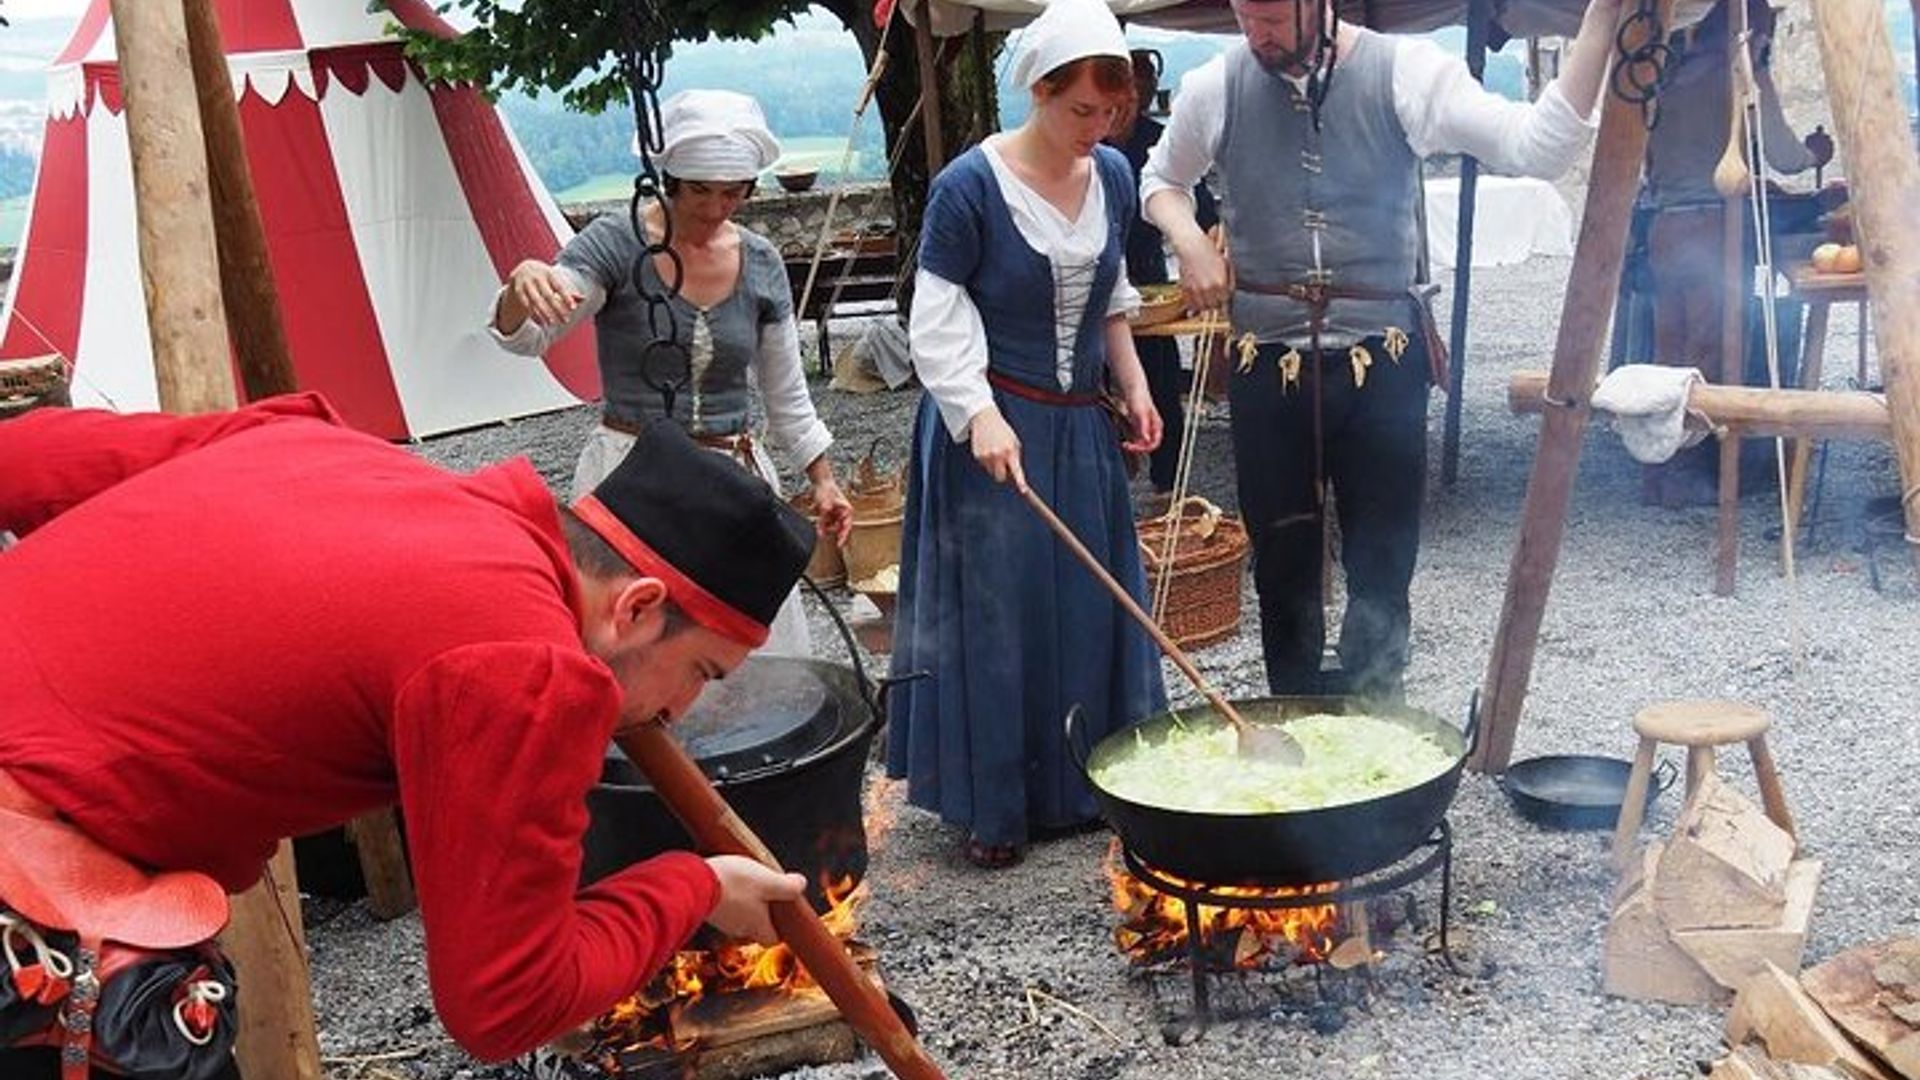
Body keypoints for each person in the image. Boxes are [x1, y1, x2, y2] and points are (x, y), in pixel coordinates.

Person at [0, 395, 814, 1078]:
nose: (680, 712)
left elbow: (24, 456)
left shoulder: (321, 449)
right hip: (29, 886)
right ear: (635, 608)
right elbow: (505, 1003)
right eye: (702, 671)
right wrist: (696, 888)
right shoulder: (521, 664)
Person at [1143, 0, 1622, 698]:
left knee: (1383, 561)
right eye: (1245, 16)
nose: (1256, 35)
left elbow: (1537, 148)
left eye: (1272, 19)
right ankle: (1293, 713)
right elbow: (1160, 181)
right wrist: (1189, 240)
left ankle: (1379, 720)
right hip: (1264, 363)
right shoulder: (1215, 87)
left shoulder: (1408, 73)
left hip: (1382, 358)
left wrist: (1602, 20)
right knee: (1280, 561)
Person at [886, 0, 1168, 871]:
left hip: (1077, 431)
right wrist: (978, 415)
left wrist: (1133, 385)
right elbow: (936, 317)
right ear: (1039, 92)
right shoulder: (969, 186)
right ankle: (996, 803)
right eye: (1082, 109)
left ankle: (1086, 786)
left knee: (1085, 607)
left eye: (1110, 112)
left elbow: (1110, 297)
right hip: (989, 427)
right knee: (998, 613)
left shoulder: (1112, 174)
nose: (1097, 128)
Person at [490, 88, 852, 657]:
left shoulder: (760, 261)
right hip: (628, 473)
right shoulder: (617, 243)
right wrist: (523, 281)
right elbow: (531, 334)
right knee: (635, 647)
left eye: (732, 192)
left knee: (734, 654)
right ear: (671, 181)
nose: (715, 207)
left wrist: (823, 480)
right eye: (700, 190)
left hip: (731, 477)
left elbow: (788, 397)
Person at [1637, 0, 1822, 507]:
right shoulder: (1741, 75)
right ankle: (1695, 474)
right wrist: (1816, 155)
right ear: (1750, 28)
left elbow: (1653, 161)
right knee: (1709, 354)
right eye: (1766, 29)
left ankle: (1657, 473)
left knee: (1668, 354)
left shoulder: (1667, 73)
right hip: (1710, 227)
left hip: (1665, 227)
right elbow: (1783, 153)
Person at [1106, 49, 1220, 494]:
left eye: (1138, 92)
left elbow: (1203, 211)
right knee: (1095, 393)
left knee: (1160, 383)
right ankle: (1108, 482)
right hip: (1092, 282)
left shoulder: (1158, 142)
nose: (1126, 105)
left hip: (1148, 278)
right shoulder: (1085, 144)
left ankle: (1167, 485)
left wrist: (1203, 249)